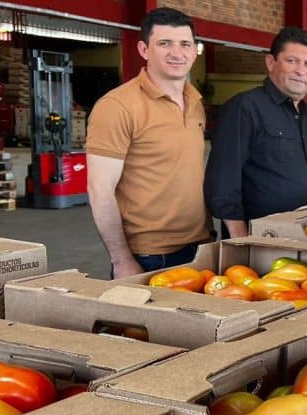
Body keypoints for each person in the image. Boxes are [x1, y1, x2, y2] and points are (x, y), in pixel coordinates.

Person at [87, 7, 213, 278]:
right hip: (150, 255)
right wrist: (121, 260)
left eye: (185, 44)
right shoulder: (117, 106)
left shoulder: (195, 102)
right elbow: (100, 190)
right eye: (164, 43)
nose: (177, 53)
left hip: (201, 244)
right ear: (144, 50)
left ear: (194, 51)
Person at [204, 27, 307, 238]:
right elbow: (223, 183)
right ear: (271, 63)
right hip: (262, 241)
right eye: (292, 61)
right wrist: (242, 242)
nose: (301, 70)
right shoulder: (244, 108)